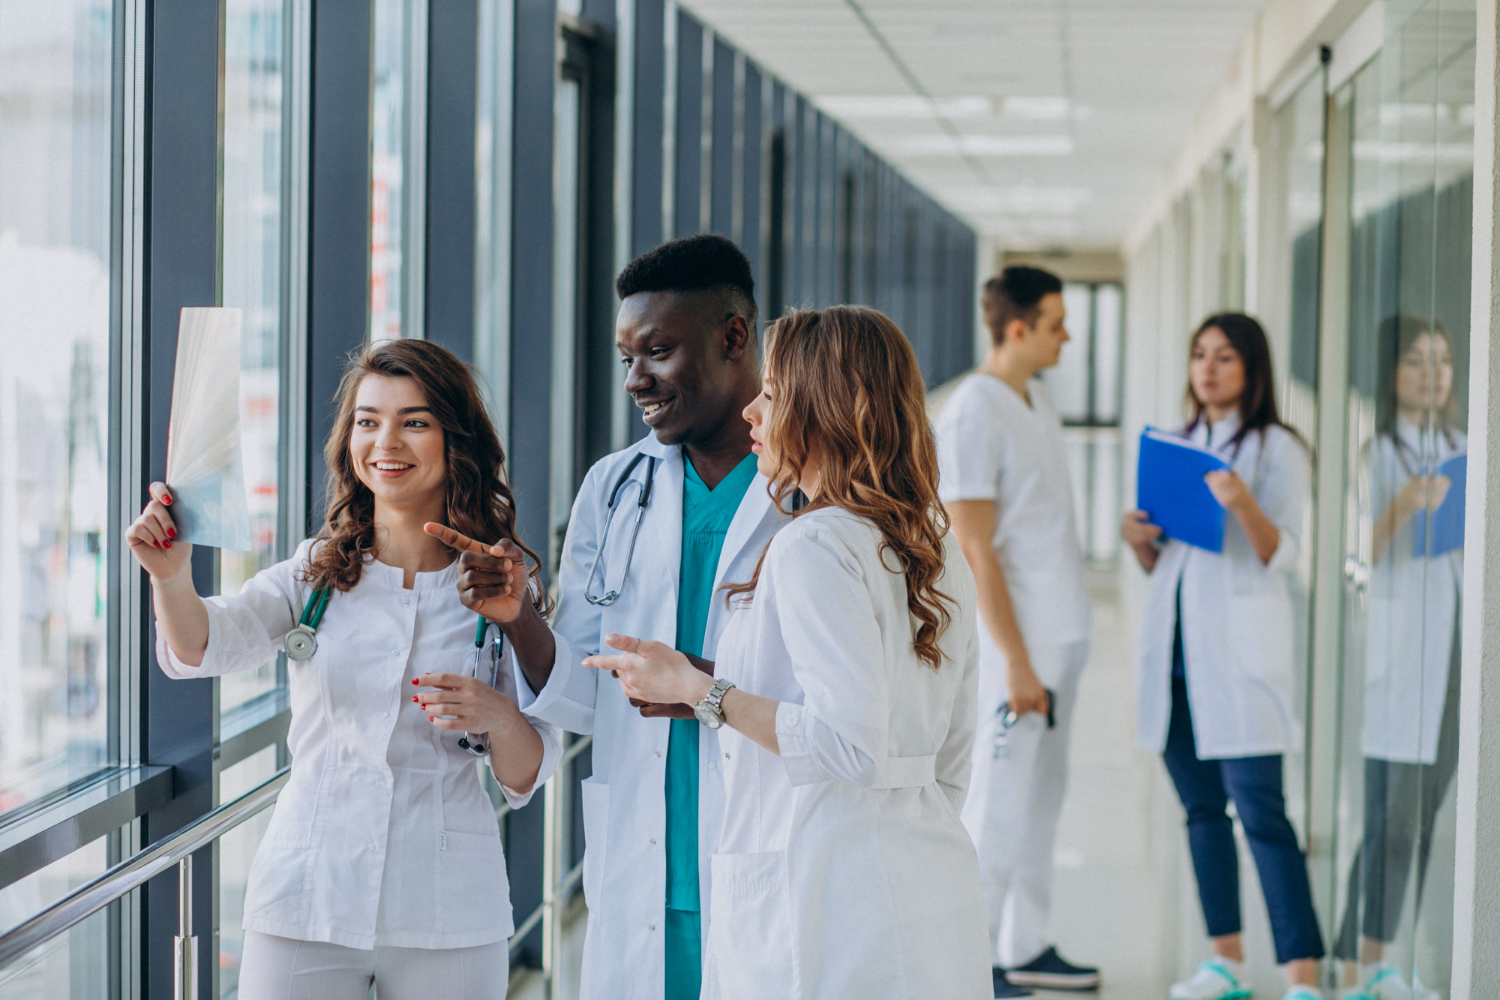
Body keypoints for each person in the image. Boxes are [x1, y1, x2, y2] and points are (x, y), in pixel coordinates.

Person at [131, 340, 561, 999]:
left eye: (414, 421)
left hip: (447, 908)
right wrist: (170, 577)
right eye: (368, 420)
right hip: (306, 895)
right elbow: (202, 646)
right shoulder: (315, 573)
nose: (386, 440)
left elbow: (527, 772)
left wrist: (499, 717)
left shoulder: (498, 584)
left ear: (456, 441)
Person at [584, 305, 992, 999]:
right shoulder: (932, 541)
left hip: (822, 901)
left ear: (821, 406)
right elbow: (952, 746)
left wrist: (697, 691)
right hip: (926, 877)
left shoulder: (816, 543)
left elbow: (849, 743)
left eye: (771, 393)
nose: (753, 410)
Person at [436, 235, 784, 1000]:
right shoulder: (615, 486)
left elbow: (845, 699)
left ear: (733, 337)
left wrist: (703, 686)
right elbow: (587, 687)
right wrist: (519, 614)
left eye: (657, 352)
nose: (636, 380)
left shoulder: (811, 485)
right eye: (627, 358)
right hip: (645, 859)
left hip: (768, 843)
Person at [1121, 314, 1324, 1000]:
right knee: (1202, 812)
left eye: (1225, 357)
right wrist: (1137, 538)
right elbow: (1167, 562)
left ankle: (1302, 976)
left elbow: (1285, 555)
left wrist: (1242, 502)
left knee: (1263, 814)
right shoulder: (1180, 444)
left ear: (1252, 369)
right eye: (1199, 355)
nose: (1207, 369)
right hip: (1177, 657)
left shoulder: (1280, 449)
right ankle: (1226, 963)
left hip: (1240, 661)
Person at [935, 265, 1099, 997]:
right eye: (1058, 323)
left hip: (1060, 636)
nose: (1068, 335)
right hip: (1017, 650)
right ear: (1019, 327)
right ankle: (974, 963)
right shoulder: (975, 410)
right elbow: (974, 547)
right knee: (996, 808)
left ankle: (1024, 943)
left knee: (1041, 800)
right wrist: (1015, 662)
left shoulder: (1037, 399)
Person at [1334, 316, 1464, 1000]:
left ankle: (1360, 956)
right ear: (1391, 374)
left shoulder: (1462, 446)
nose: (1433, 373)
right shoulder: (1375, 454)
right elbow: (1357, 557)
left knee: (1419, 813)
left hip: (1455, 652)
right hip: (1403, 649)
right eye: (1417, 361)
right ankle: (1373, 966)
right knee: (1396, 816)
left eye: (1442, 360)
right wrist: (1405, 505)